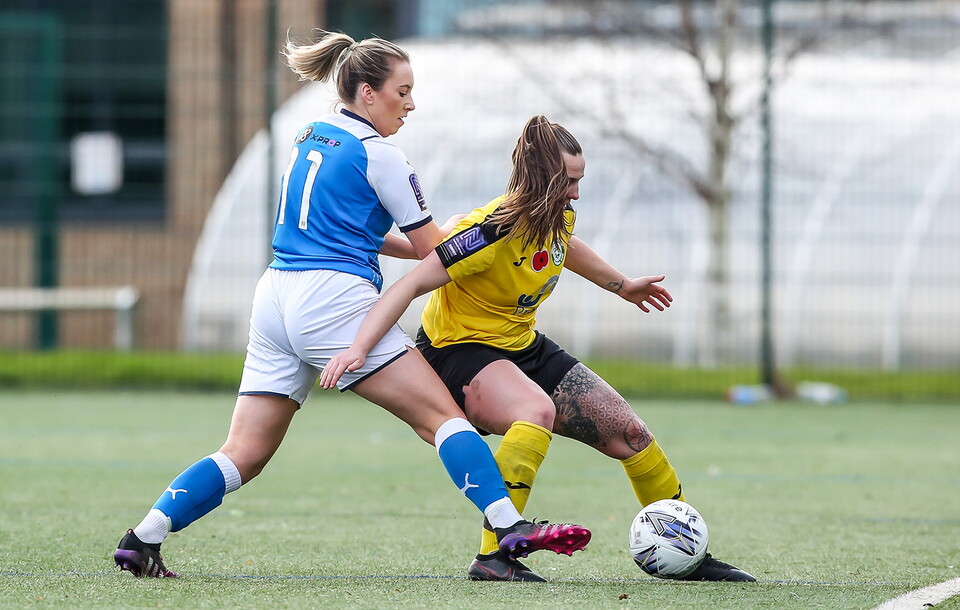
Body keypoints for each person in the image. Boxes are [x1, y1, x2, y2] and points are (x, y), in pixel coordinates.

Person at [113, 33, 590, 579]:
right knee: (444, 420)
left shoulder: (311, 133)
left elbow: (349, 228)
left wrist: (433, 240)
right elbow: (435, 251)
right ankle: (508, 527)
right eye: (402, 92)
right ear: (367, 92)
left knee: (244, 450)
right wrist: (478, 232)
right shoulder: (383, 155)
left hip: (276, 295)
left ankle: (143, 537)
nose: (410, 104)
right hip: (333, 301)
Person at [321, 115, 757, 583]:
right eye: (568, 182)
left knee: (631, 434)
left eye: (579, 181)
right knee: (535, 410)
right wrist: (360, 347)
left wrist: (622, 285)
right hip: (458, 350)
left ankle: (688, 554)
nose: (576, 194)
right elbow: (409, 284)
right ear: (541, 178)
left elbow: (565, 245)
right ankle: (494, 558)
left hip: (522, 345)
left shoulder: (558, 214)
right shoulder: (488, 233)